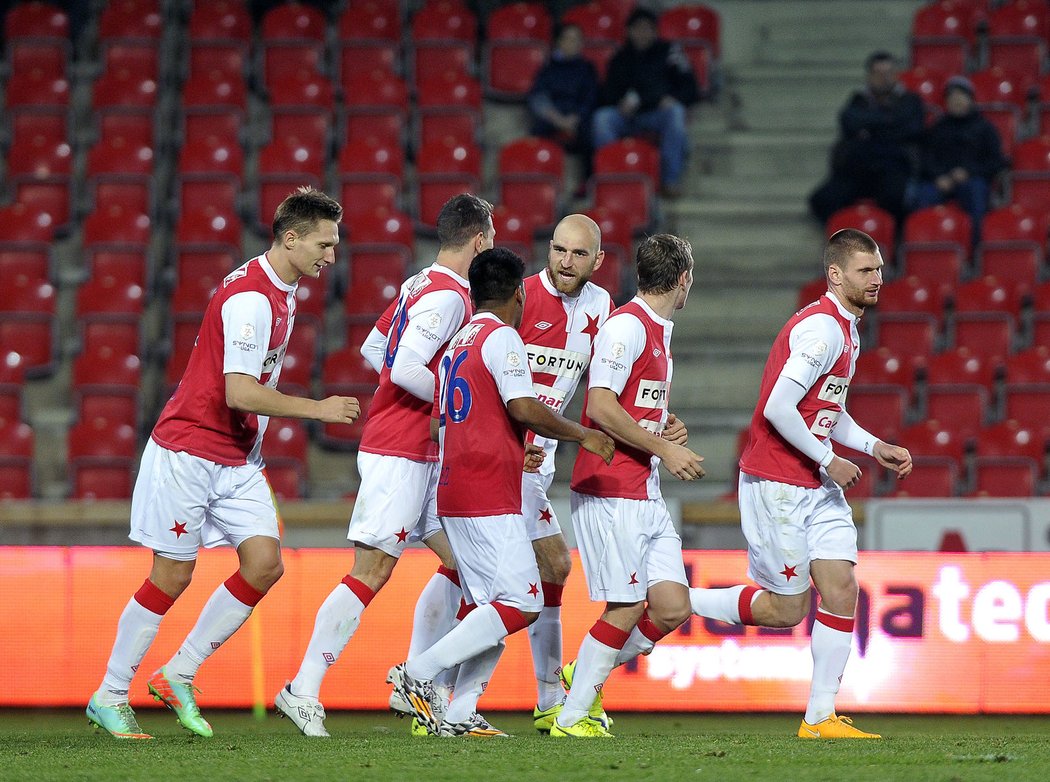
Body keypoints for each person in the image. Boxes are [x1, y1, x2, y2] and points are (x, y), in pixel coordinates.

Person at [86, 187, 358, 740]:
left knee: (264, 564)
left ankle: (178, 672)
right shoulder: (253, 300)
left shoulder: (284, 288)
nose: (332, 256)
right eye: (324, 244)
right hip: (188, 450)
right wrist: (318, 410)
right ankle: (111, 693)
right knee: (172, 574)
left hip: (236, 457)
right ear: (291, 238)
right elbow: (238, 390)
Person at [274, 194, 494, 737]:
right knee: (371, 570)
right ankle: (302, 689)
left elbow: (376, 347)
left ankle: (420, 689)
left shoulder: (422, 282)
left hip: (418, 449)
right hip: (400, 451)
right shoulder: (449, 298)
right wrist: (455, 402)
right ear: (481, 242)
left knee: (471, 568)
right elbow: (401, 369)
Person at [689, 228, 913, 739]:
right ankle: (680, 600)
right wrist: (830, 459)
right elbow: (777, 408)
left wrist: (873, 446)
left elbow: (825, 410)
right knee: (786, 609)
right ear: (836, 275)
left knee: (841, 587)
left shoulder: (846, 327)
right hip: (779, 483)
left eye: (879, 269)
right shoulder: (823, 331)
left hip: (814, 481)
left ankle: (819, 718)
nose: (877, 279)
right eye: (865, 271)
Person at [387, 247, 615, 737]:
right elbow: (525, 407)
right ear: (519, 293)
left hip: (457, 488)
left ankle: (458, 712)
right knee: (522, 603)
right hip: (488, 492)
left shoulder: (455, 344)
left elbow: (436, 426)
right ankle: (417, 674)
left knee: (490, 605)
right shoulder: (502, 336)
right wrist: (583, 434)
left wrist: (510, 447)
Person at [551, 234, 706, 738]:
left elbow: (632, 401)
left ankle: (583, 676)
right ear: (684, 280)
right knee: (626, 605)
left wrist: (665, 422)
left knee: (672, 607)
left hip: (644, 490)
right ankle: (572, 718)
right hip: (610, 487)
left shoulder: (657, 329)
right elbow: (598, 404)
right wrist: (665, 448)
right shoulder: (627, 327)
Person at [591, 7, 700, 198]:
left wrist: (674, 98)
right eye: (637, 28)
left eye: (647, 28)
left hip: (656, 114)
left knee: (675, 112)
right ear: (629, 31)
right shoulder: (620, 58)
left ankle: (669, 180)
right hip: (628, 116)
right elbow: (607, 92)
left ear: (655, 31)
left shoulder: (669, 52)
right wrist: (619, 103)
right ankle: (612, 177)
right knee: (602, 118)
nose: (642, 33)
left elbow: (690, 87)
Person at [809, 51, 925, 224]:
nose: (884, 78)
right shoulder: (858, 100)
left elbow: (912, 130)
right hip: (858, 167)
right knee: (822, 200)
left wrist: (869, 128)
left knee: (898, 200)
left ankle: (887, 244)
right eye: (879, 74)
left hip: (893, 166)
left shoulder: (910, 100)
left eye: (889, 73)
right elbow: (849, 121)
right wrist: (891, 122)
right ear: (869, 76)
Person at [909, 75, 1006, 246]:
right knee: (921, 196)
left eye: (961, 96)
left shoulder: (985, 128)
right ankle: (923, 246)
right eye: (952, 97)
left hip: (972, 180)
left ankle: (975, 250)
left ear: (970, 99)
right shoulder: (937, 128)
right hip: (941, 181)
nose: (957, 101)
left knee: (976, 195)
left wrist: (969, 172)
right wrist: (939, 177)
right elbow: (926, 159)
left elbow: (996, 161)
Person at [527, 23, 601, 193]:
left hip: (578, 116)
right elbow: (538, 97)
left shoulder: (587, 68)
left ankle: (587, 183)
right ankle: (540, 181)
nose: (572, 43)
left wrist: (576, 117)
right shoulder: (548, 69)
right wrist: (557, 119)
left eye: (576, 40)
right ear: (559, 42)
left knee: (590, 132)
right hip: (553, 116)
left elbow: (591, 98)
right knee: (536, 134)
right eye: (568, 39)